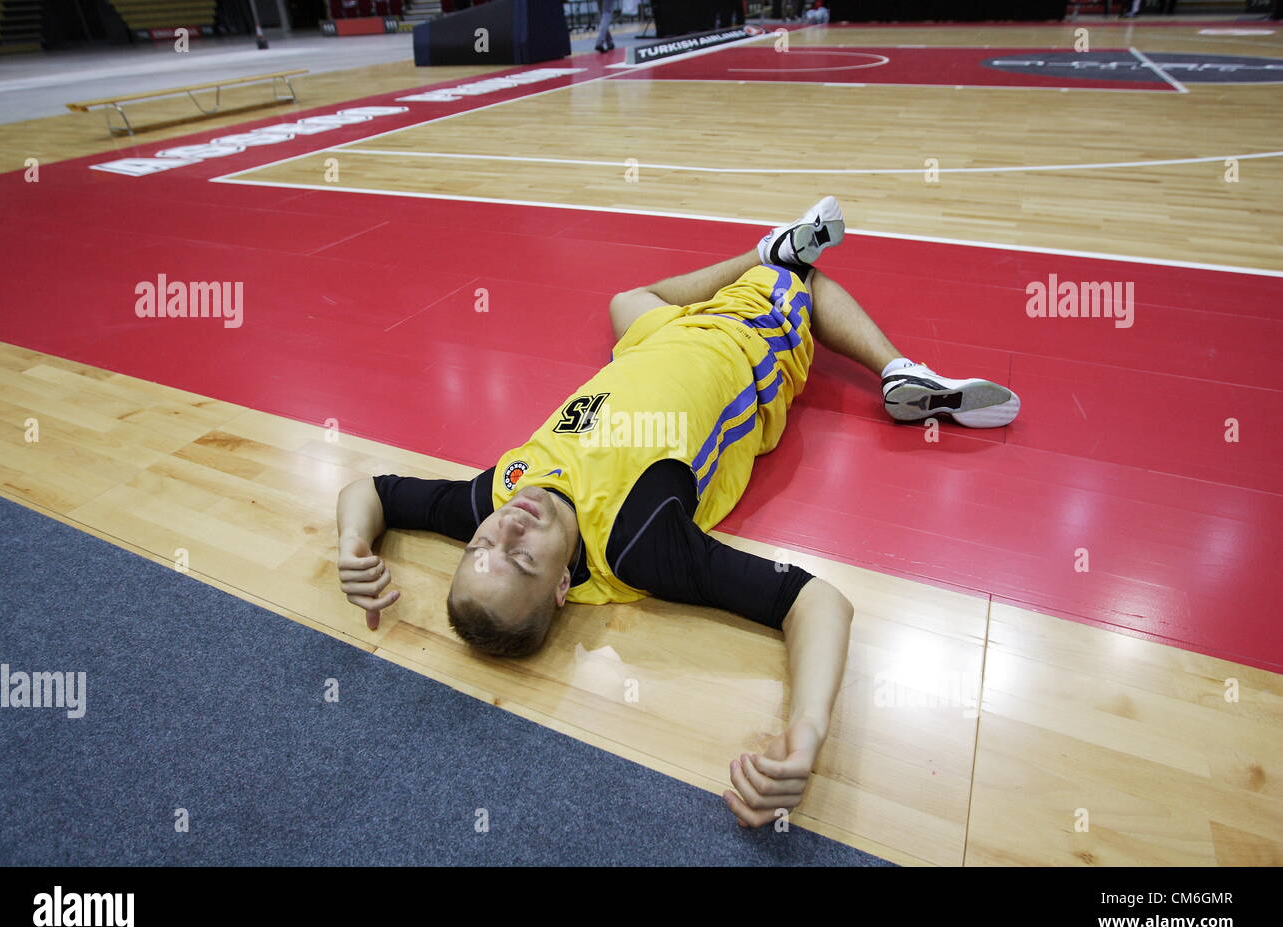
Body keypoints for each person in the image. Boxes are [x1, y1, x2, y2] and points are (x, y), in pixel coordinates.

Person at [335, 198, 1020, 826]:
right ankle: (894, 365)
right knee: (805, 287)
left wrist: (352, 546)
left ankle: (766, 251)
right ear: (564, 587)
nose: (509, 527)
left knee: (625, 300)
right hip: (746, 350)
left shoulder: (497, 496)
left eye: (481, 547)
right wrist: (806, 729)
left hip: (652, 341)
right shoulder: (640, 543)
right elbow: (817, 604)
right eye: (519, 558)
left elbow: (373, 491)